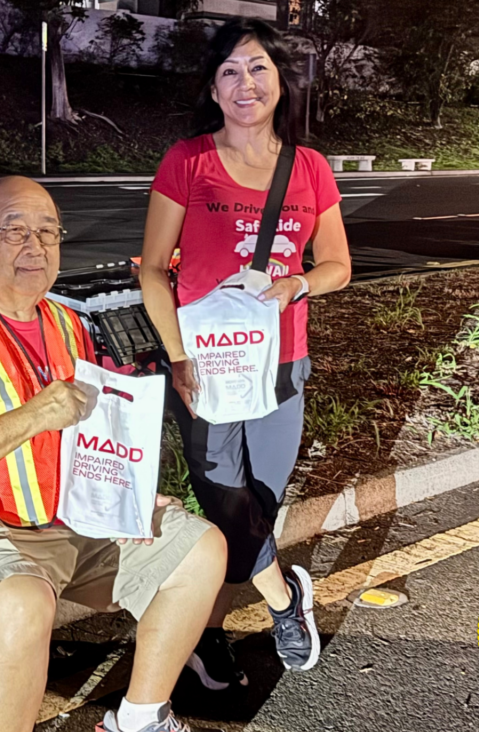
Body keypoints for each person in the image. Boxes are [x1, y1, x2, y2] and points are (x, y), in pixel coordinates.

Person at [0, 176, 227, 732]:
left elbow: (88, 435)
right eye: (14, 230)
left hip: (68, 518)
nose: (35, 247)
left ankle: (139, 719)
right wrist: (36, 414)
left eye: (48, 232)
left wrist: (129, 493)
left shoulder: (67, 323)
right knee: (22, 602)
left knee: (199, 548)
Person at [139, 19, 351, 689]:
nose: (246, 83)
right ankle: (286, 601)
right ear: (213, 88)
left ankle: (206, 632)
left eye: (257, 67)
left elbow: (339, 264)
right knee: (224, 496)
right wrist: (179, 358)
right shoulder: (188, 160)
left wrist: (299, 284)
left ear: (280, 80)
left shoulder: (310, 168)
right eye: (230, 71)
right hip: (204, 363)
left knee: (257, 499)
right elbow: (150, 271)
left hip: (282, 364)